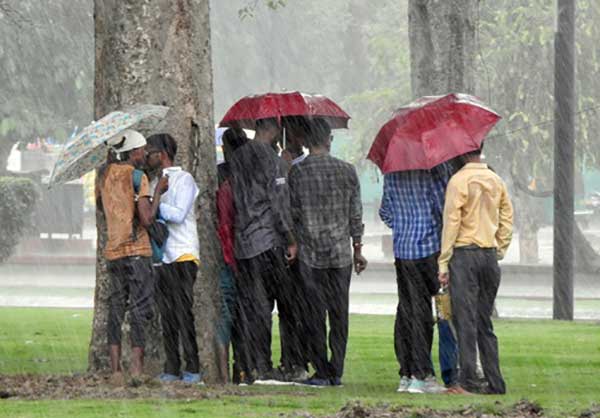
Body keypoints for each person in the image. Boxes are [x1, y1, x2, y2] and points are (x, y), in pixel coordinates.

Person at [289, 118, 367, 387]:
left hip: (311, 256)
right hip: (340, 255)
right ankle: (337, 369)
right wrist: (357, 248)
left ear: (307, 142)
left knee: (314, 315)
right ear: (329, 140)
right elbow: (355, 214)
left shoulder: (297, 173)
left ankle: (321, 370)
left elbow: (293, 213)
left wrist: (294, 242)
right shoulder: (347, 171)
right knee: (339, 313)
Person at [229, 117, 302, 383]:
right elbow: (279, 204)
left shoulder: (237, 157)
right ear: (272, 130)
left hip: (244, 241)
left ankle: (248, 364)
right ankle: (265, 363)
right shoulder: (273, 160)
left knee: (250, 306)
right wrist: (291, 239)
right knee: (275, 306)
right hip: (268, 240)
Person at [438, 145, 513, 395]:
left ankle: (468, 380)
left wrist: (443, 260)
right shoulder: (496, 179)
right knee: (484, 322)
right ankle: (495, 381)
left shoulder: (458, 181)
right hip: (489, 255)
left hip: (464, 255)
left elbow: (452, 222)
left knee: (465, 320)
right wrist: (499, 248)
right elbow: (506, 218)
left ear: (460, 154)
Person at [96, 130, 166, 382]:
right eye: (142, 151)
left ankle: (115, 370)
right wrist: (157, 194)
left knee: (115, 308)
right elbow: (146, 219)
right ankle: (136, 368)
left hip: (114, 252)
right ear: (134, 152)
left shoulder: (103, 176)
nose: (144, 154)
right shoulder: (139, 176)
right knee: (139, 309)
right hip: (137, 251)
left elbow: (101, 207)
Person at [379, 160, 453, 394]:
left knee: (407, 311)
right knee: (437, 311)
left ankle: (406, 373)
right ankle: (423, 375)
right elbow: (443, 207)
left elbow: (386, 212)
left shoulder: (392, 170)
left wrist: (404, 225)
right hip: (430, 249)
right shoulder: (435, 168)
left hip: (403, 251)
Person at [145, 133, 202, 384]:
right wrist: (156, 195)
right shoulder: (156, 181)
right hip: (164, 257)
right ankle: (172, 367)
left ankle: (193, 368)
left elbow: (178, 215)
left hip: (183, 254)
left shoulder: (184, 179)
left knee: (183, 312)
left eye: (151, 151)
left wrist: (157, 201)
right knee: (167, 315)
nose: (147, 156)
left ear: (163, 153)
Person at [216, 127, 249, 383]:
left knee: (227, 317)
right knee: (245, 317)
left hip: (231, 259)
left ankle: (226, 373)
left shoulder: (224, 181)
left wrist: (230, 257)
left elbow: (225, 226)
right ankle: (243, 369)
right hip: (250, 256)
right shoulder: (252, 180)